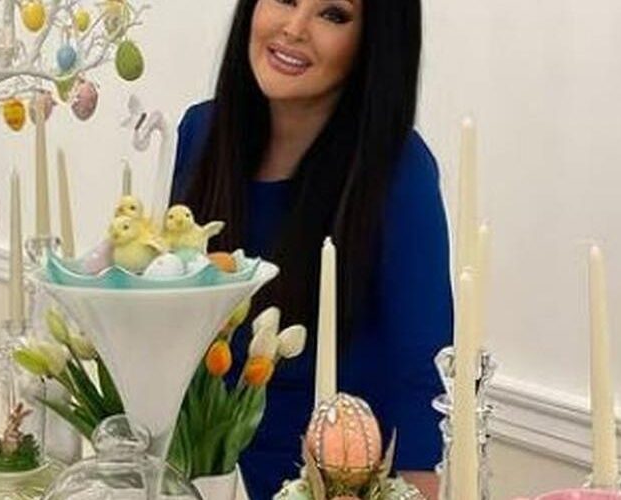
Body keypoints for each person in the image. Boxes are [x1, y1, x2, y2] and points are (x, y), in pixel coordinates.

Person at [170, 0, 453, 498]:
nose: (294, 28)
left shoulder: (398, 170)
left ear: (373, 42)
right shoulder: (201, 133)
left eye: (333, 15)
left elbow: (421, 373)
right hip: (197, 479)